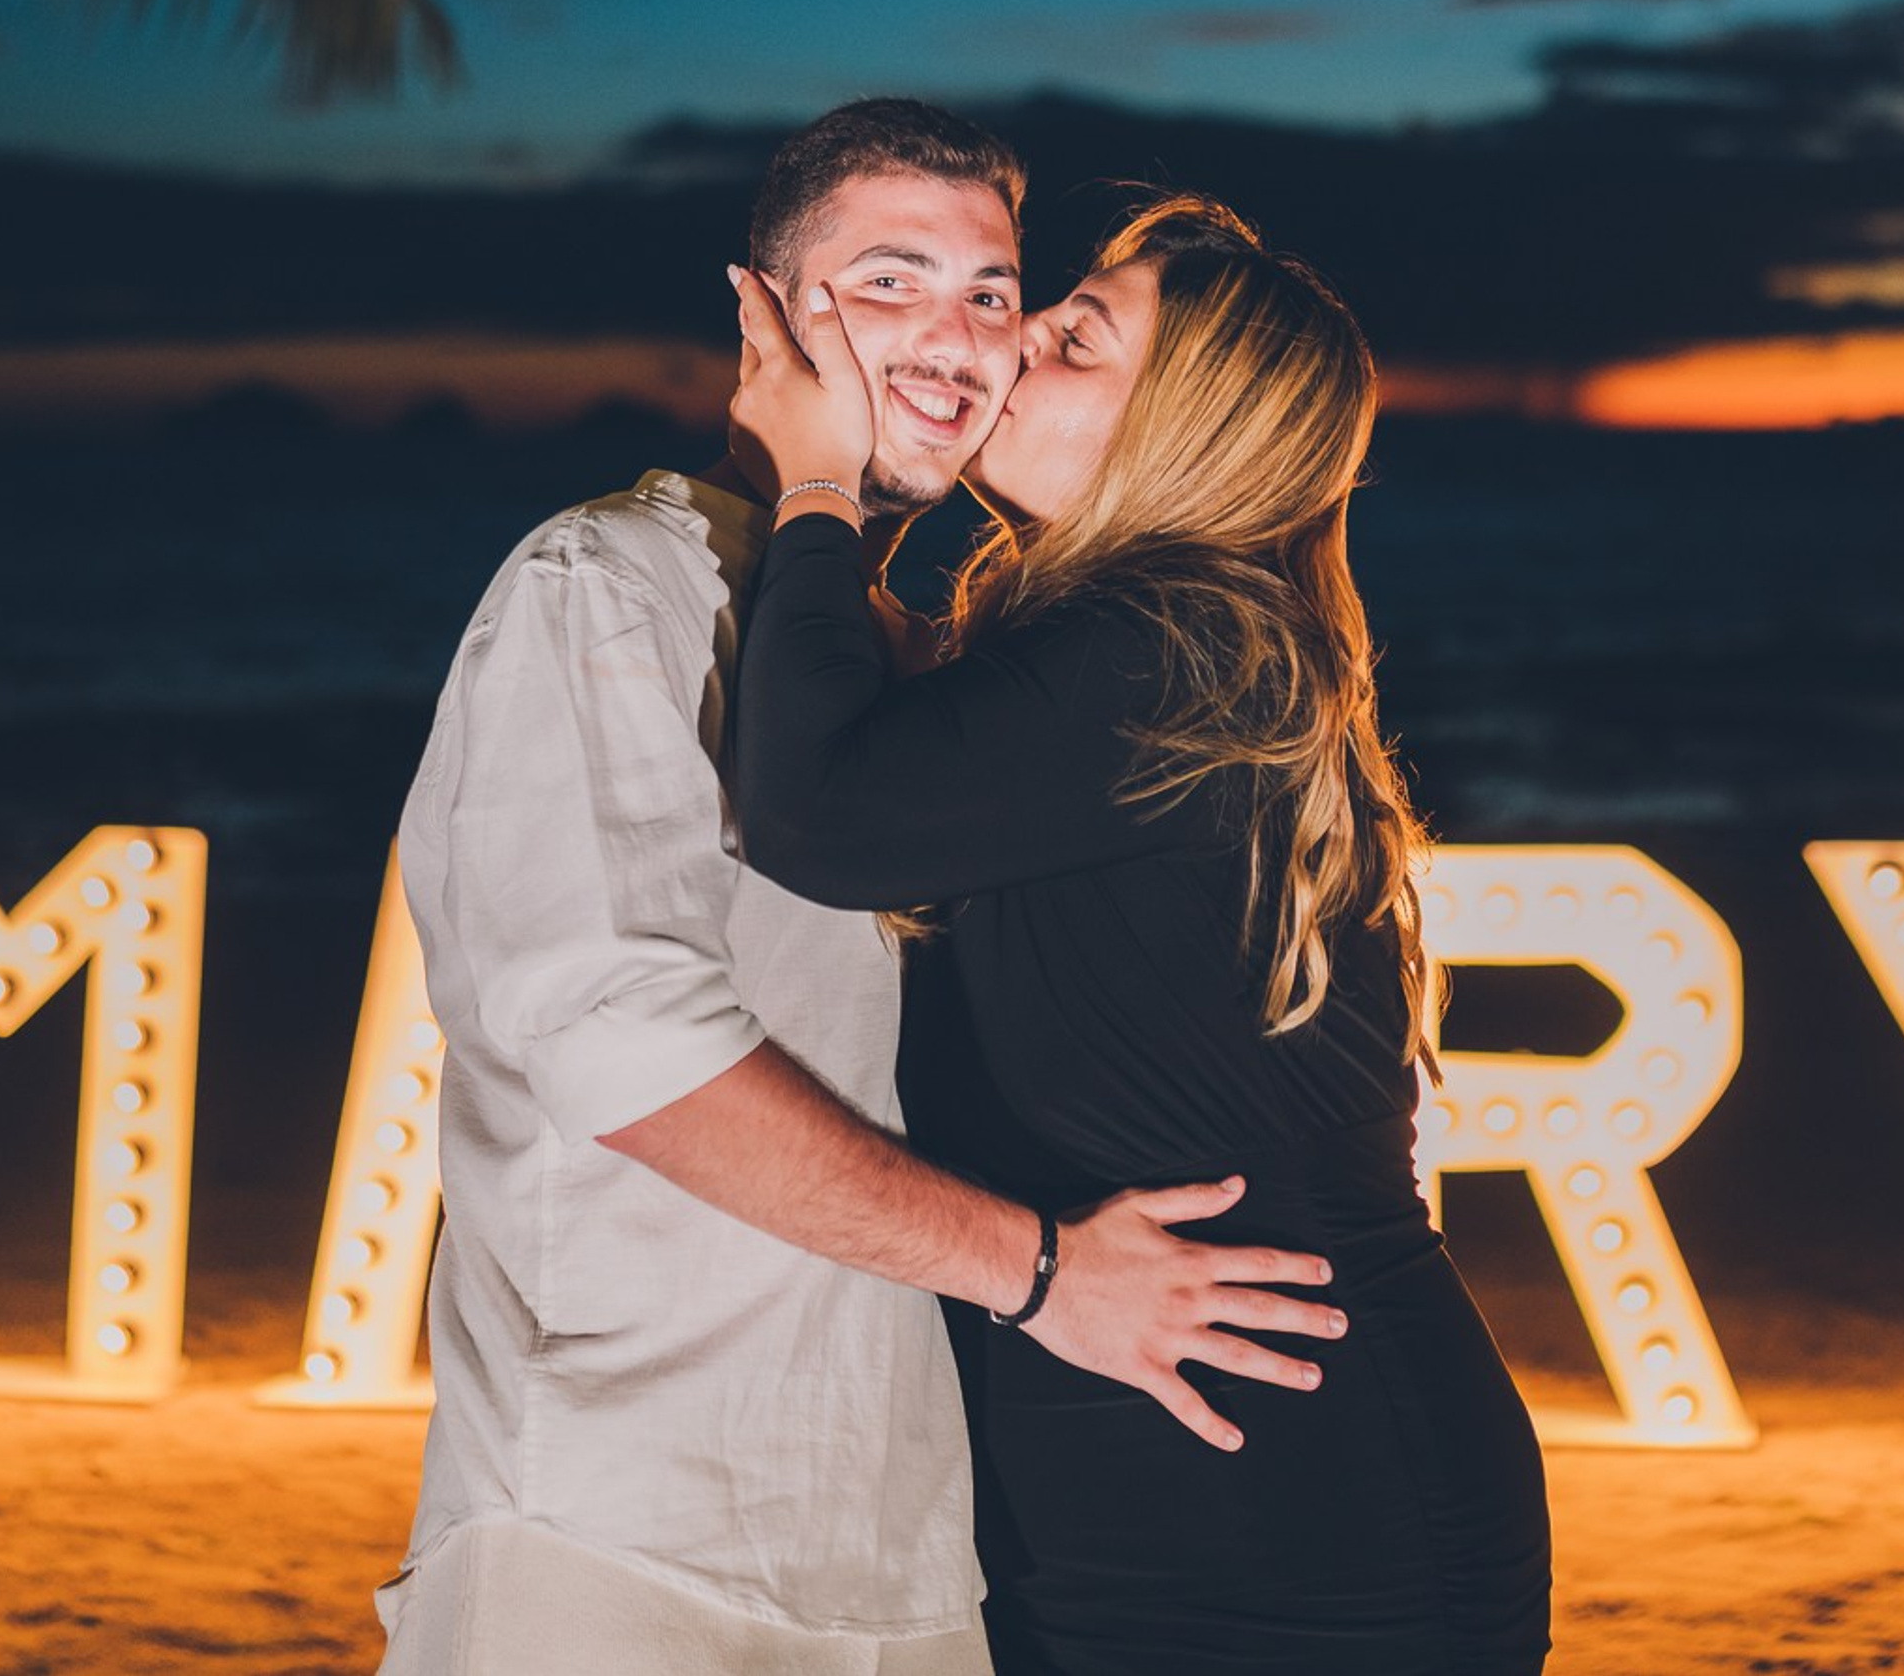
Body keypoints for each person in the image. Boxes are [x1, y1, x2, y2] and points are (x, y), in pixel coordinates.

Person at [381, 106, 1342, 1676]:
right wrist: (1045, 1275)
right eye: (890, 283)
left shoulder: (919, 669)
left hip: (907, 1553)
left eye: (992, 294)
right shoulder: (607, 587)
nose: (957, 341)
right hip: (617, 1518)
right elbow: (619, 1043)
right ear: (765, 315)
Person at [726, 194, 1553, 1676]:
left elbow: (819, 817)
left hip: (1295, 1505)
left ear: (1181, 432)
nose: (1020, 338)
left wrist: (819, 484)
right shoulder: (1126, 647)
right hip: (1181, 1460)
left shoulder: (1180, 647)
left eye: (1076, 340)